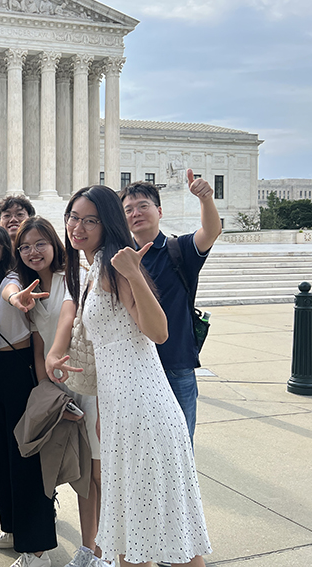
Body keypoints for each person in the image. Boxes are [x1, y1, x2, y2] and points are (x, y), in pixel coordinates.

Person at [51, 185, 211, 567]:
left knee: (167, 529)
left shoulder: (114, 266)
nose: (79, 226)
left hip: (144, 410)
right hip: (123, 409)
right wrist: (104, 412)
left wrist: (134, 274)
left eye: (90, 219)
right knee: (136, 530)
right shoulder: (94, 268)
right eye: (74, 217)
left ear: (108, 223)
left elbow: (158, 333)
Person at [3, 216, 103, 567]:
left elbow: (66, 317)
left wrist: (55, 360)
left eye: (39, 244)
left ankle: (94, 551)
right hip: (58, 387)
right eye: (25, 246)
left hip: (86, 384)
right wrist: (47, 391)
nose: (33, 252)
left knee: (93, 472)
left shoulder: (69, 280)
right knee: (63, 467)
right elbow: (37, 343)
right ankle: (59, 549)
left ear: (54, 245)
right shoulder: (28, 288)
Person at [0, 224, 57, 567]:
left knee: (26, 459)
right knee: (1, 455)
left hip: (19, 372)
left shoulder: (8, 281)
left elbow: (12, 292)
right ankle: (13, 529)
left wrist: (16, 298)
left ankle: (38, 550)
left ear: (5, 251)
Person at [119, 171, 221, 442]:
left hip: (176, 365)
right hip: (136, 367)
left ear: (159, 211)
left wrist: (205, 199)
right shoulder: (121, 259)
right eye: (128, 209)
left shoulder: (179, 248)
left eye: (143, 206)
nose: (136, 213)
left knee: (180, 447)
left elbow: (211, 231)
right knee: (142, 448)